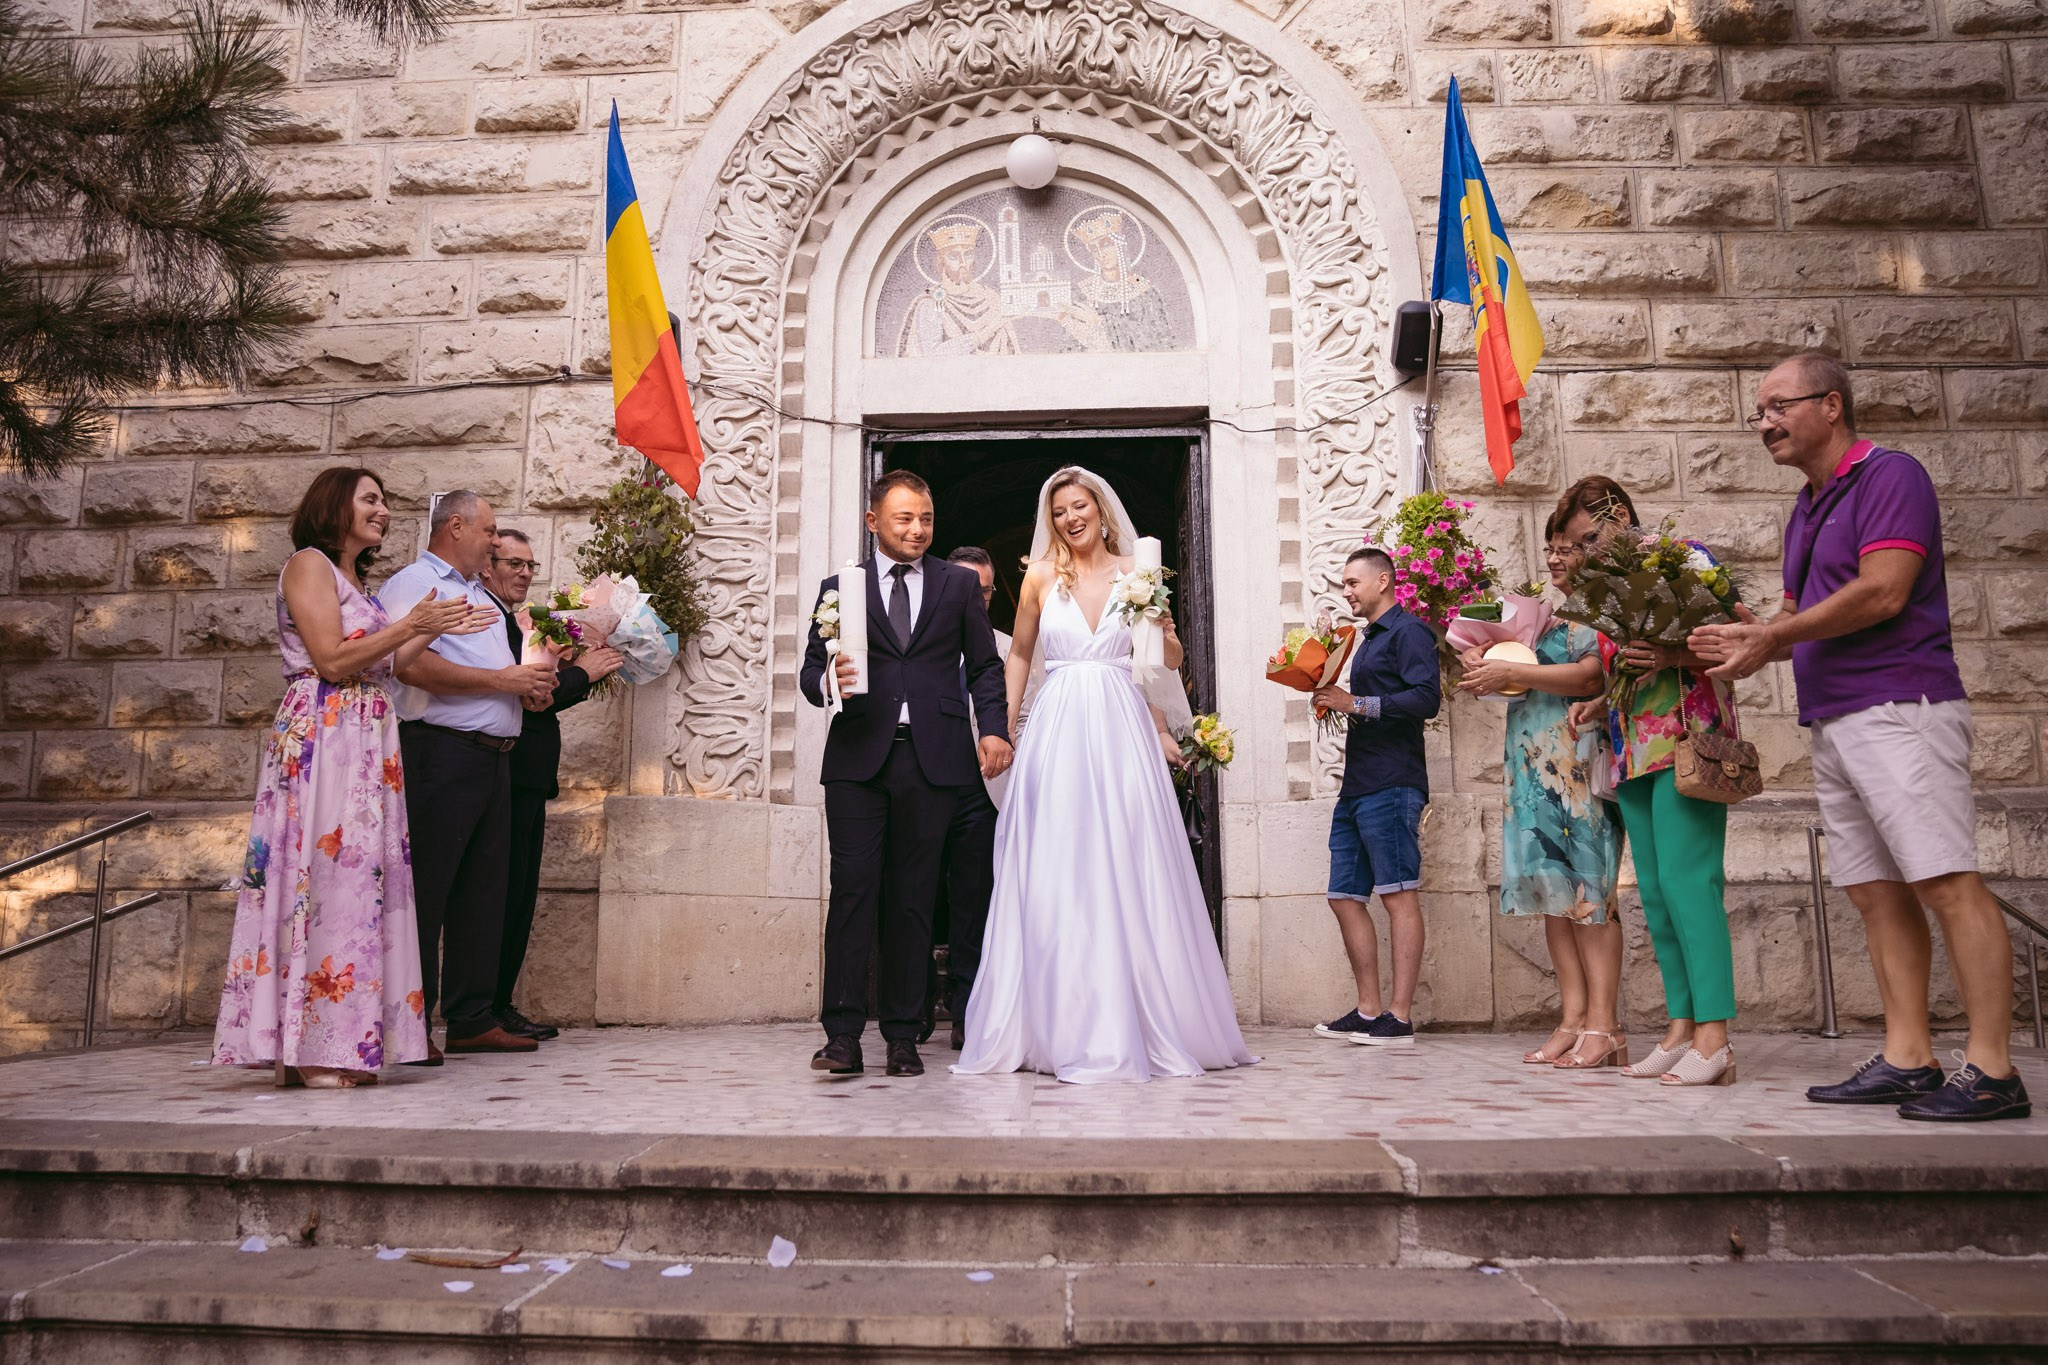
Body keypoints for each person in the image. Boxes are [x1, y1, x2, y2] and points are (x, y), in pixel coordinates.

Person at [1692, 352, 2029, 1122]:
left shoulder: (1890, 477)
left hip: (1900, 706)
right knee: (1875, 892)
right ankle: (1909, 1054)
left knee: (1945, 878)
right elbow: (1790, 614)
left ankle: (1993, 1069)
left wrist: (1773, 635)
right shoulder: (1807, 506)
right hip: (1836, 716)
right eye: (1759, 411)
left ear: (1832, 404)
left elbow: (1884, 590)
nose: (1765, 423)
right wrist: (1746, 642)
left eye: (1779, 406)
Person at [953, 466, 1254, 1084]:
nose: (1070, 517)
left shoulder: (1137, 575)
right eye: (1060, 509)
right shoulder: (1038, 577)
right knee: (1060, 862)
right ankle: (1057, 1020)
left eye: (1080, 505)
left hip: (1120, 724)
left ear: (1101, 510)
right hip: (1059, 725)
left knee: (1128, 855)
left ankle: (1145, 1016)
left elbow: (1164, 662)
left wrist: (1167, 633)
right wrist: (1002, 728)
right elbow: (1018, 655)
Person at [212, 468, 493, 1087]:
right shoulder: (308, 564)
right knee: (324, 877)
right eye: (371, 499)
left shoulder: (352, 582)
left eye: (386, 501)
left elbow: (384, 663)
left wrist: (432, 629)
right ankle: (313, 1049)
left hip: (364, 735)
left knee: (355, 885)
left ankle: (327, 1043)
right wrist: (415, 624)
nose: (385, 510)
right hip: (324, 732)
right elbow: (332, 659)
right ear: (334, 504)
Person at [798, 471, 1014, 1077]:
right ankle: (841, 1035)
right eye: (903, 519)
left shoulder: (957, 585)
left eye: (925, 519)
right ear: (873, 522)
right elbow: (811, 672)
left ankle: (902, 1035)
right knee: (854, 892)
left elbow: (985, 670)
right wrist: (826, 683)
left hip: (935, 759)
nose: (917, 530)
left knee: (915, 901)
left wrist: (994, 729)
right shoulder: (840, 587)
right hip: (858, 762)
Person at [1563, 478, 1742, 1087]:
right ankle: (1680, 1028)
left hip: (1690, 741)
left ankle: (1715, 1036)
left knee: (1692, 884)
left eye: (1590, 537)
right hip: (1632, 750)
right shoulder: (1606, 592)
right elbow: (1626, 666)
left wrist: (1671, 658)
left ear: (1622, 517)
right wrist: (1598, 702)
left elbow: (1744, 639)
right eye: (1576, 545)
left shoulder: (1688, 560)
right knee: (1659, 893)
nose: (1585, 552)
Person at [382, 491, 558, 1059]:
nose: (495, 541)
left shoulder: (479, 592)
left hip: (494, 756)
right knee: (427, 892)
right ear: (455, 526)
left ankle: (471, 1017)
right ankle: (409, 1025)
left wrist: (528, 687)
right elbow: (414, 665)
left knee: (483, 893)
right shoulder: (415, 584)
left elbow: (497, 669)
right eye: (489, 531)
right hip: (441, 752)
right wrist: (504, 684)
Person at [1458, 487, 1626, 1069]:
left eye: (1567, 546)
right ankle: (1573, 1018)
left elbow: (1587, 677)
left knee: (1589, 894)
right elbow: (1529, 677)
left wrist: (1512, 666)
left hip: (1578, 762)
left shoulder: (1602, 607)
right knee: (1554, 899)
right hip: (1532, 766)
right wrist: (1490, 664)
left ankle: (1606, 1026)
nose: (1555, 557)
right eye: (1551, 547)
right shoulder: (1544, 614)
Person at [479, 530, 625, 1043]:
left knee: (518, 897)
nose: (523, 572)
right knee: (497, 896)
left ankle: (497, 1004)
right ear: (486, 566)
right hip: (504, 773)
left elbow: (538, 694)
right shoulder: (490, 623)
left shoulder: (530, 623)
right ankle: (481, 1010)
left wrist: (571, 664)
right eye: (512, 562)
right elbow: (526, 697)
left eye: (529, 564)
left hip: (529, 778)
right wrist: (580, 674)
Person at [1309, 547, 1443, 1049]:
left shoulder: (1408, 631)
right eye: (1344, 584)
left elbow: (1426, 699)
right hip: (1357, 783)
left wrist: (1353, 701)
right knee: (1344, 897)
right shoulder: (1365, 642)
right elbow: (1371, 704)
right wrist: (1332, 701)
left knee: (1398, 893)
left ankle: (1400, 1017)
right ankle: (1368, 1010)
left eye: (1352, 583)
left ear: (1384, 581)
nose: (1346, 592)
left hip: (1393, 781)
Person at [923, 546, 1009, 1051]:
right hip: (922, 782)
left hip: (982, 790)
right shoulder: (922, 643)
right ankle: (912, 1008)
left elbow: (1025, 713)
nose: (975, 598)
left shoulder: (1005, 646)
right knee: (916, 893)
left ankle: (967, 1009)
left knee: (973, 900)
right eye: (966, 588)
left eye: (984, 591)